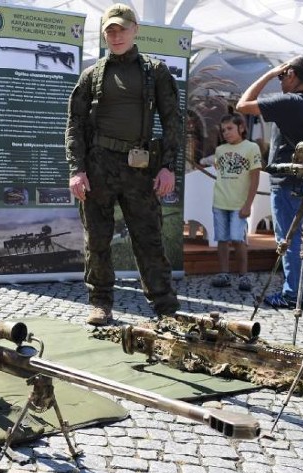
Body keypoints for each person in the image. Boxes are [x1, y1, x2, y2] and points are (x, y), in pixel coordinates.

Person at [66, 3, 181, 326]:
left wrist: (167, 166)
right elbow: (74, 124)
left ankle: (165, 307)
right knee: (97, 239)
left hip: (140, 168)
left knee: (149, 237)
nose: (116, 36)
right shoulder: (92, 75)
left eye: (122, 29)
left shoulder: (155, 71)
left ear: (135, 30)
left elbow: (173, 121)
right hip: (99, 165)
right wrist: (77, 169)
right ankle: (100, 302)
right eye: (110, 31)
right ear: (104, 35)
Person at [236, 55, 303, 309]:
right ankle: (295, 289)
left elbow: (242, 105)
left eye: (283, 77)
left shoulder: (289, 102)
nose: (280, 81)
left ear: (292, 74)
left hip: (286, 182)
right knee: (298, 240)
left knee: (288, 240)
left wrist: (270, 74)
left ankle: (292, 294)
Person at [201, 114, 262, 291]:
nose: (226, 133)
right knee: (221, 238)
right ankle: (224, 273)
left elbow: (255, 178)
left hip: (239, 204)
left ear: (241, 128)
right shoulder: (220, 150)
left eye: (230, 128)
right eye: (223, 130)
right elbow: (221, 172)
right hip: (220, 202)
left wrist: (248, 204)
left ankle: (243, 275)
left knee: (237, 238)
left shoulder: (252, 148)